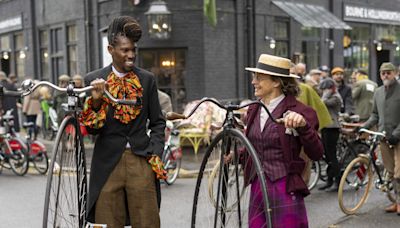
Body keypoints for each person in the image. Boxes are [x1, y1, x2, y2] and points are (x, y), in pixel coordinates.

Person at [80, 16, 165, 227]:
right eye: (125, 50)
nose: (131, 55)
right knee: (107, 221)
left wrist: (154, 151)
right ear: (111, 50)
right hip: (108, 162)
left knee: (148, 221)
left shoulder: (146, 79)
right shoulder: (94, 79)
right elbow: (91, 129)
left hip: (140, 160)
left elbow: (157, 122)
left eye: (133, 50)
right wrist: (97, 102)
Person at [236, 54, 323, 226]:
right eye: (254, 77)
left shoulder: (301, 111)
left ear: (276, 82)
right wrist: (234, 156)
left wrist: (303, 127)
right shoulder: (254, 109)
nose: (253, 82)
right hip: (258, 186)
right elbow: (256, 147)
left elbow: (317, 153)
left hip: (284, 185)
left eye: (259, 78)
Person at [361, 62, 400, 214]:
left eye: (388, 72)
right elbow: (375, 115)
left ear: (395, 73)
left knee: (398, 173)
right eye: (383, 73)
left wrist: (396, 134)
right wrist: (364, 127)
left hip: (397, 137)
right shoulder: (378, 92)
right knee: (389, 171)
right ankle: (395, 202)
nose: (385, 75)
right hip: (384, 137)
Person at [290, 64, 332, 185]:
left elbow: (317, 111)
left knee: (302, 175)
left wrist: (311, 134)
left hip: (301, 140)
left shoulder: (305, 89)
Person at [317, 78, 343, 192]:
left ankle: (338, 180)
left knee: (332, 155)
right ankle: (329, 179)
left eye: (325, 89)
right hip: (325, 127)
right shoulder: (329, 96)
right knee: (327, 155)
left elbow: (321, 103)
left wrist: (326, 94)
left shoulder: (336, 97)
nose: (324, 91)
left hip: (332, 128)